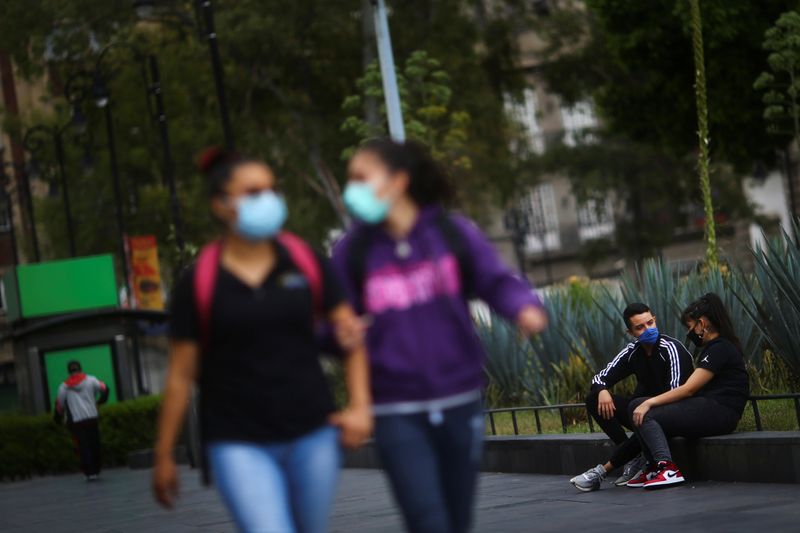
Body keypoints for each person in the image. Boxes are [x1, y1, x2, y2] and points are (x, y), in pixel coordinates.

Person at [331, 138, 548, 533]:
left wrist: (524, 307)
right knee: (426, 520)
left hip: (459, 400)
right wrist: (336, 332)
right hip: (395, 409)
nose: (353, 189)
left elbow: (495, 281)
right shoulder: (352, 252)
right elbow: (330, 320)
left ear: (398, 181)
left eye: (362, 178)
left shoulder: (452, 233)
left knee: (456, 519)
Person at [152, 148, 372, 533]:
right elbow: (180, 375)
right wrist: (163, 455)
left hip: (312, 432)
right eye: (253, 192)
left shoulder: (305, 261)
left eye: (272, 189)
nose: (268, 200)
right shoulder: (198, 282)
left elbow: (350, 337)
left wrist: (360, 406)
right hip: (237, 441)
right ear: (221, 205)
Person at [628, 292, 750, 489]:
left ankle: (667, 469)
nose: (689, 332)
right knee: (635, 405)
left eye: (690, 327)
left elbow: (688, 389)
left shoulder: (720, 348)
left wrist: (650, 402)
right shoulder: (714, 348)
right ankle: (652, 467)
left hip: (720, 412)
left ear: (701, 324)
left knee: (647, 412)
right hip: (710, 408)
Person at [569, 302, 693, 491]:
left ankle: (603, 470)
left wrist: (648, 405)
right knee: (594, 399)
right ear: (631, 332)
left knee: (638, 408)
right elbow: (600, 378)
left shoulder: (671, 349)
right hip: (643, 413)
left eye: (650, 323)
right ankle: (634, 456)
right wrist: (602, 390)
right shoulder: (633, 352)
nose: (648, 329)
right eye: (640, 327)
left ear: (655, 320)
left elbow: (677, 395)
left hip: (672, 413)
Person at [53, 360, 110, 481]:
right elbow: (105, 388)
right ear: (80, 368)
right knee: (95, 444)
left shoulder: (64, 387)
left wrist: (57, 419)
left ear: (69, 371)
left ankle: (90, 473)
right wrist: (100, 402)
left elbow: (59, 406)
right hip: (92, 417)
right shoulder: (91, 379)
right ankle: (97, 469)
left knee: (83, 447)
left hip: (77, 422)